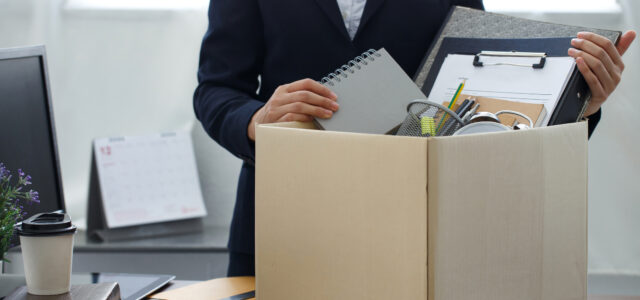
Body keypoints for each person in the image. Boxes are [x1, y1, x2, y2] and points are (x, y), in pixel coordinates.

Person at [193, 0, 636, 276]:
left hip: (414, 223)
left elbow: (482, 92)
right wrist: (256, 118)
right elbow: (215, 88)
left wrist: (581, 102)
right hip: (281, 220)